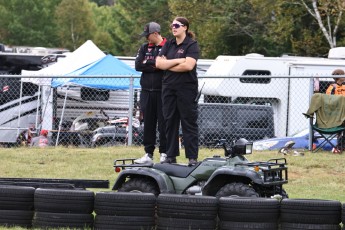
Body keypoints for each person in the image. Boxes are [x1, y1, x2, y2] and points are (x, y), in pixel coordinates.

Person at [156, 16, 199, 166]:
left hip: (186, 89)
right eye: (172, 25)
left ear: (185, 27)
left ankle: (192, 158)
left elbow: (188, 66)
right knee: (170, 122)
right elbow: (158, 63)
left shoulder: (191, 45)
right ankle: (171, 155)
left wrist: (168, 64)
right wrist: (178, 60)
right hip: (168, 88)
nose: (173, 28)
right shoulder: (169, 44)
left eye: (177, 25)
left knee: (189, 123)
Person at [134, 22, 168, 164]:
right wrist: (156, 65)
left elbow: (167, 65)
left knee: (164, 124)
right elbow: (137, 65)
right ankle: (148, 154)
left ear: (155, 34)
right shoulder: (144, 47)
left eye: (148, 35)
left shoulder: (168, 46)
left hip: (163, 92)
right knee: (148, 124)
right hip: (146, 92)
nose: (146, 38)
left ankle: (165, 153)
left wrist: (149, 64)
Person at [325, 69, 345, 153]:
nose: (344, 76)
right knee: (341, 129)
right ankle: (339, 147)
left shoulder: (344, 86)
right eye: (343, 74)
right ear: (338, 77)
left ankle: (340, 147)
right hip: (336, 113)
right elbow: (329, 101)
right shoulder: (332, 87)